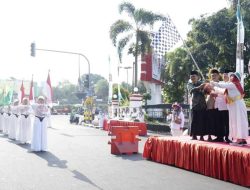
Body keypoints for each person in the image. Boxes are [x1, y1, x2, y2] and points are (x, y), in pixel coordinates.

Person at [210, 72, 249, 145]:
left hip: (237, 106)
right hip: (237, 105)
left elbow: (221, 85)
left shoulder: (232, 85)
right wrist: (214, 87)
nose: (231, 78)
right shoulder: (237, 85)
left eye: (232, 76)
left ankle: (240, 140)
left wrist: (213, 83)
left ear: (235, 78)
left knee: (238, 122)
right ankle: (241, 139)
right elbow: (223, 91)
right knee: (240, 122)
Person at [187, 70, 207, 140]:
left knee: (202, 121)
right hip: (194, 105)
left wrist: (205, 86)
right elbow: (191, 90)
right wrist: (199, 87)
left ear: (198, 77)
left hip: (202, 105)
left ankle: (202, 136)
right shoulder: (189, 84)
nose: (192, 77)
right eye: (191, 76)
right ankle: (194, 135)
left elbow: (205, 92)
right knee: (194, 121)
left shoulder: (202, 83)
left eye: (194, 76)